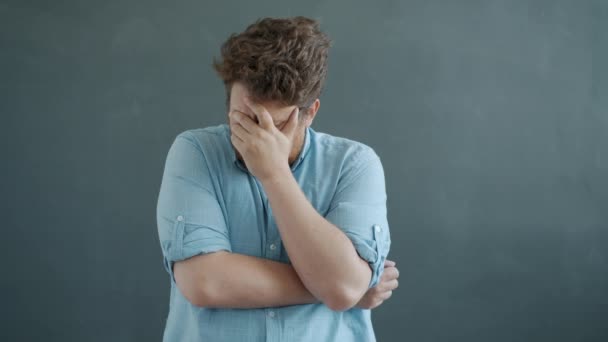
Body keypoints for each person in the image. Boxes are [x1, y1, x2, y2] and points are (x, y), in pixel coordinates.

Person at [156, 16, 399, 341]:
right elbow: (205, 283)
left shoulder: (354, 164)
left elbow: (342, 288)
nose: (258, 137)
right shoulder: (195, 152)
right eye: (244, 119)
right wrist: (342, 288)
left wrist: (275, 174)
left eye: (277, 124)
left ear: (310, 112)